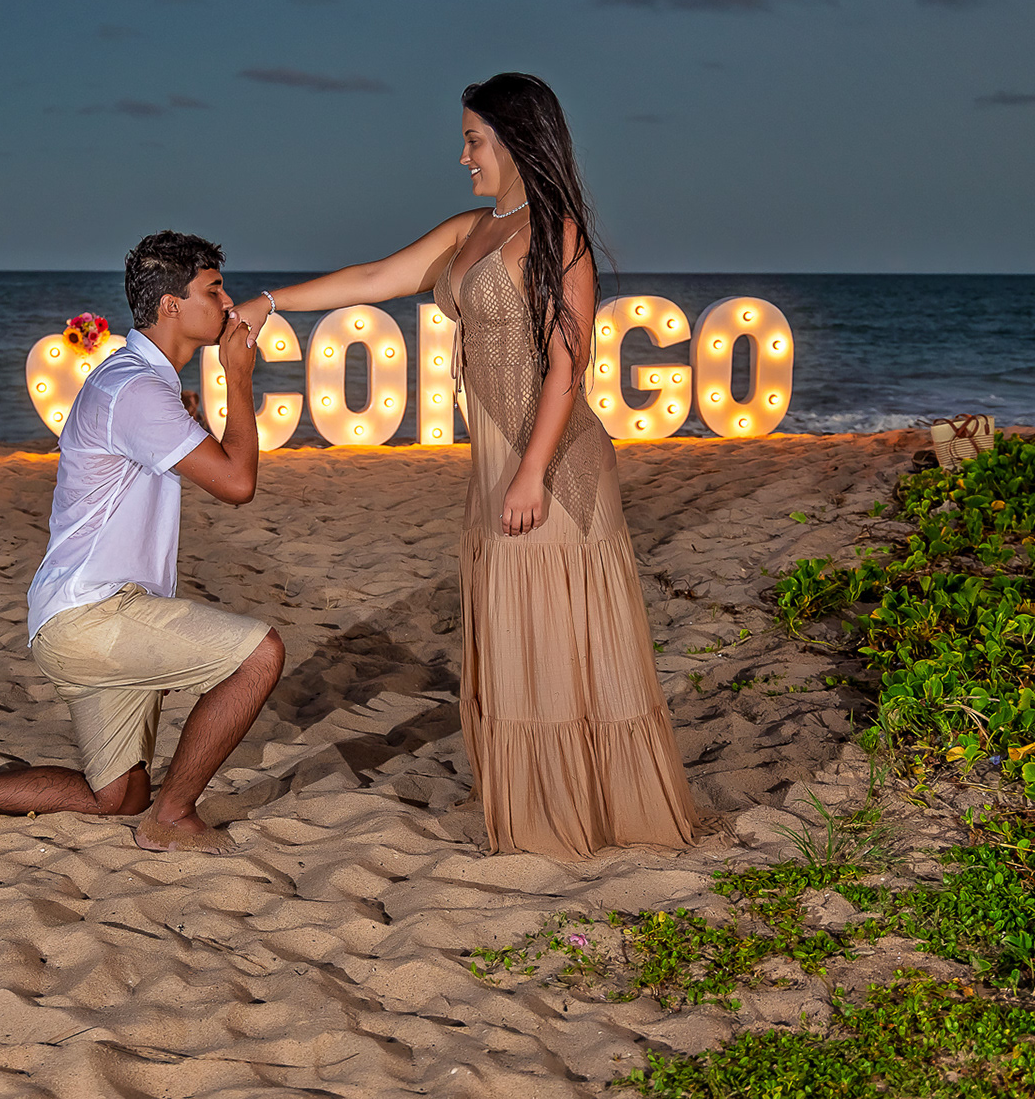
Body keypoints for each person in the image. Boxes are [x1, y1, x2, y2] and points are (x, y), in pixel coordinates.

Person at [232, 73, 700, 858]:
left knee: (551, 643)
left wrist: (531, 472)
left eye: (474, 140)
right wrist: (270, 303)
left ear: (514, 141)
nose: (464, 156)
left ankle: (575, 820)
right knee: (519, 645)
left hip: (553, 467)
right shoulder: (473, 229)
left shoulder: (559, 234)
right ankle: (535, 815)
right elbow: (374, 279)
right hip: (497, 469)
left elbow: (567, 366)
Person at [0, 231, 285, 855]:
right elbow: (237, 483)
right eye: (213, 290)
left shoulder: (137, 380)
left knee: (118, 797)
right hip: (95, 614)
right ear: (171, 306)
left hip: (79, 614)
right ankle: (172, 818)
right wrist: (238, 378)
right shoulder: (136, 389)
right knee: (259, 656)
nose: (227, 303)